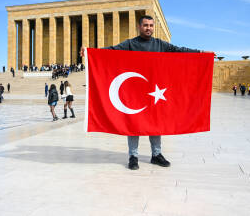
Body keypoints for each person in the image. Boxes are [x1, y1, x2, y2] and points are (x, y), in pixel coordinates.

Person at [80, 15, 213, 170]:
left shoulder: (160, 44)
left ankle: (156, 155)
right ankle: (133, 156)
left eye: (151, 25)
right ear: (139, 26)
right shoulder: (130, 44)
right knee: (134, 124)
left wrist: (202, 53)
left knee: (155, 122)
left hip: (155, 91)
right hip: (134, 92)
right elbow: (111, 51)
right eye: (145, 25)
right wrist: (90, 52)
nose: (148, 28)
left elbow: (180, 51)